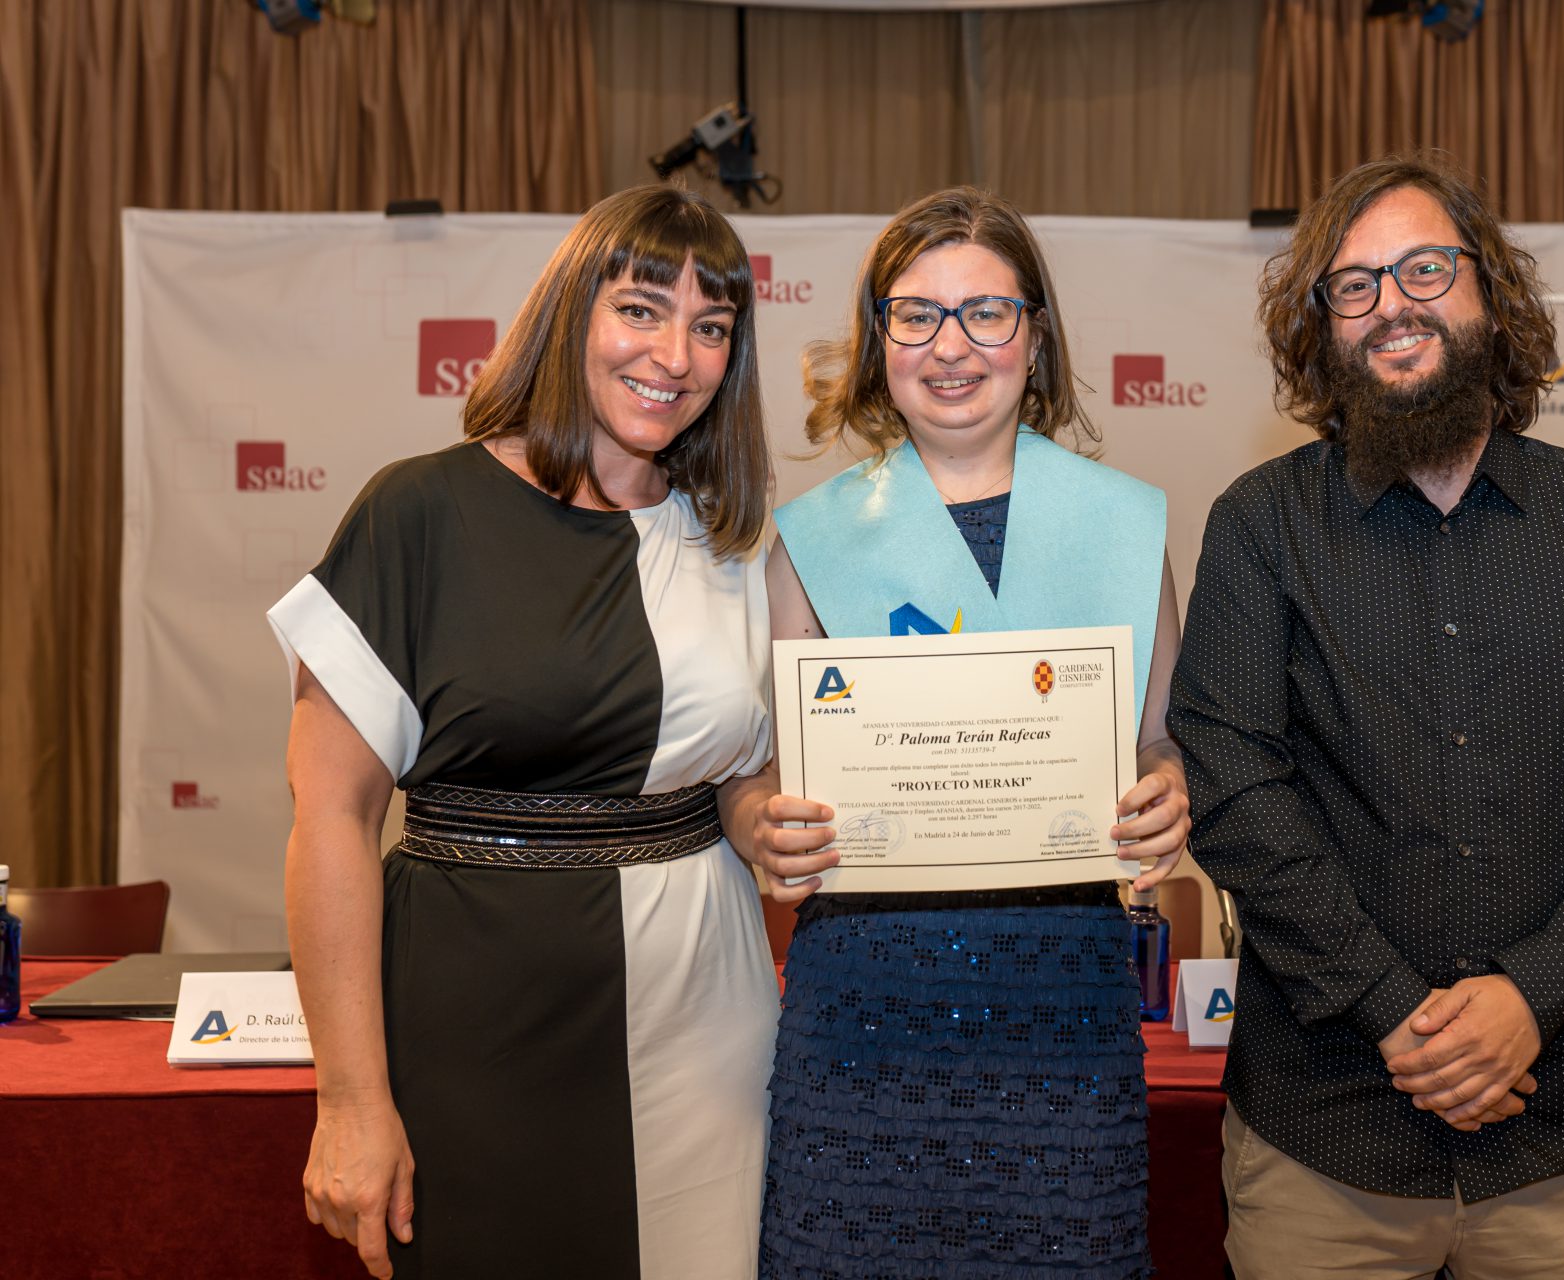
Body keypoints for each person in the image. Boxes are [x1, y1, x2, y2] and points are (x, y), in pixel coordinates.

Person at [1168, 154, 1564, 1280]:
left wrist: (1532, 992)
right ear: (1322, 329)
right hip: (1323, 1136)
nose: (1392, 306)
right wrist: (1397, 1013)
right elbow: (1234, 789)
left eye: (1424, 267)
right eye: (1354, 286)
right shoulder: (1261, 526)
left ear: (1489, 292)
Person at [268, 185, 779, 1280]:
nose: (675, 355)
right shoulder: (418, 514)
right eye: (641, 309)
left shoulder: (732, 542)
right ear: (568, 315)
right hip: (470, 1029)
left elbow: (744, 774)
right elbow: (333, 819)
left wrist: (769, 818)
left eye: (711, 326)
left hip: (707, 1025)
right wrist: (352, 1101)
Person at [731, 186, 1190, 1278]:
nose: (953, 345)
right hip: (860, 1025)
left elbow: (1164, 742)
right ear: (877, 339)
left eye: (987, 312)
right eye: (917, 314)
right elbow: (757, 773)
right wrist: (755, 820)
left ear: (1035, 338)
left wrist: (1174, 790)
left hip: (1064, 1021)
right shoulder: (805, 541)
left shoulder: (1126, 526)